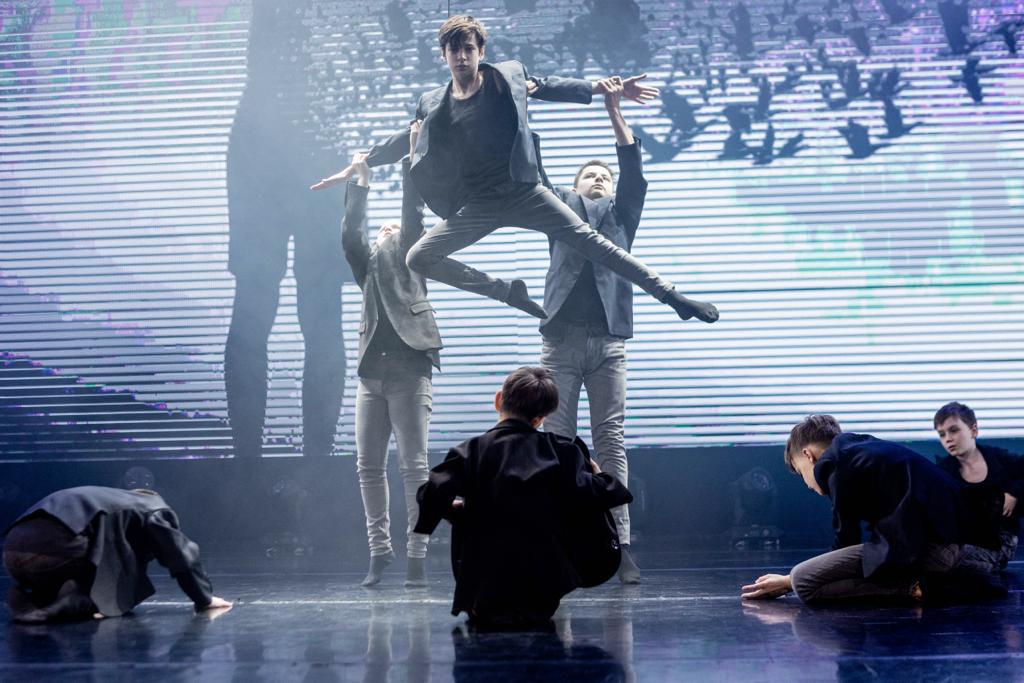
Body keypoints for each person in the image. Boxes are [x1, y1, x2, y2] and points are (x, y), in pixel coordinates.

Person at [311, 14, 718, 325]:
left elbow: (550, 84)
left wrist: (604, 88)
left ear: (480, 51)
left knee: (594, 243)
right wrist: (358, 164)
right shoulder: (433, 102)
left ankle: (672, 296)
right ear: (444, 55)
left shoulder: (506, 77)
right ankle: (508, 292)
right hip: (478, 204)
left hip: (525, 193)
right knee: (419, 256)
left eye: (468, 49)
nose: (461, 57)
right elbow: (406, 137)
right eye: (454, 50)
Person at [225, 0, 350, 458]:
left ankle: (301, 460)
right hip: (271, 143)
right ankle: (257, 460)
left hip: (302, 140)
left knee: (312, 313)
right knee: (271, 308)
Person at [414, 366, 632, 628]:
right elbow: (606, 493)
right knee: (574, 497)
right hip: (542, 594)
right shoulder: (561, 451)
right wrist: (600, 477)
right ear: (539, 419)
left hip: (483, 593)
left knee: (473, 513)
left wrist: (459, 512)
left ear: (498, 400)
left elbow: (431, 494)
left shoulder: (471, 451)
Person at [539, 76, 645, 584]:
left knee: (610, 441)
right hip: (560, 342)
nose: (599, 179)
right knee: (557, 443)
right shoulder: (558, 209)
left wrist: (613, 110)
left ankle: (620, 545)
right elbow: (532, 172)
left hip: (607, 344)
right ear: (575, 186)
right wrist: (522, 100)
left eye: (604, 175)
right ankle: (558, 545)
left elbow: (632, 171)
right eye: (590, 175)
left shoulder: (622, 216)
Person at [341, 122, 441, 588]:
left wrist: (413, 157)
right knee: (368, 467)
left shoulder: (414, 261)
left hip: (409, 372)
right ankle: (379, 551)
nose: (387, 228)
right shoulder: (366, 272)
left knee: (413, 466)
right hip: (371, 377)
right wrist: (360, 184)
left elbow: (411, 212)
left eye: (393, 228)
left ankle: (417, 554)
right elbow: (350, 236)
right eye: (382, 228)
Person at [741, 415, 966, 604]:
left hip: (934, 554)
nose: (807, 484)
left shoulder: (837, 465)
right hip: (950, 545)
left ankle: (912, 588)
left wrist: (789, 581)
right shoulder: (862, 449)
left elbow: (845, 541)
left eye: (801, 473)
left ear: (809, 455)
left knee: (803, 580)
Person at [3, 486, 231, 622]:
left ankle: (34, 598)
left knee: (89, 550)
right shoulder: (152, 507)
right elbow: (180, 554)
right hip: (56, 546)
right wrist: (204, 598)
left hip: (11, 550)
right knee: (97, 574)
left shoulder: (111, 499)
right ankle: (78, 601)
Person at [934, 401, 1023, 572]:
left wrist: (1014, 491)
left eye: (954, 430)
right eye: (942, 434)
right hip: (966, 540)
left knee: (950, 558)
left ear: (973, 430)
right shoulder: (944, 472)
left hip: (1000, 542)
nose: (948, 439)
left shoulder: (999, 459)